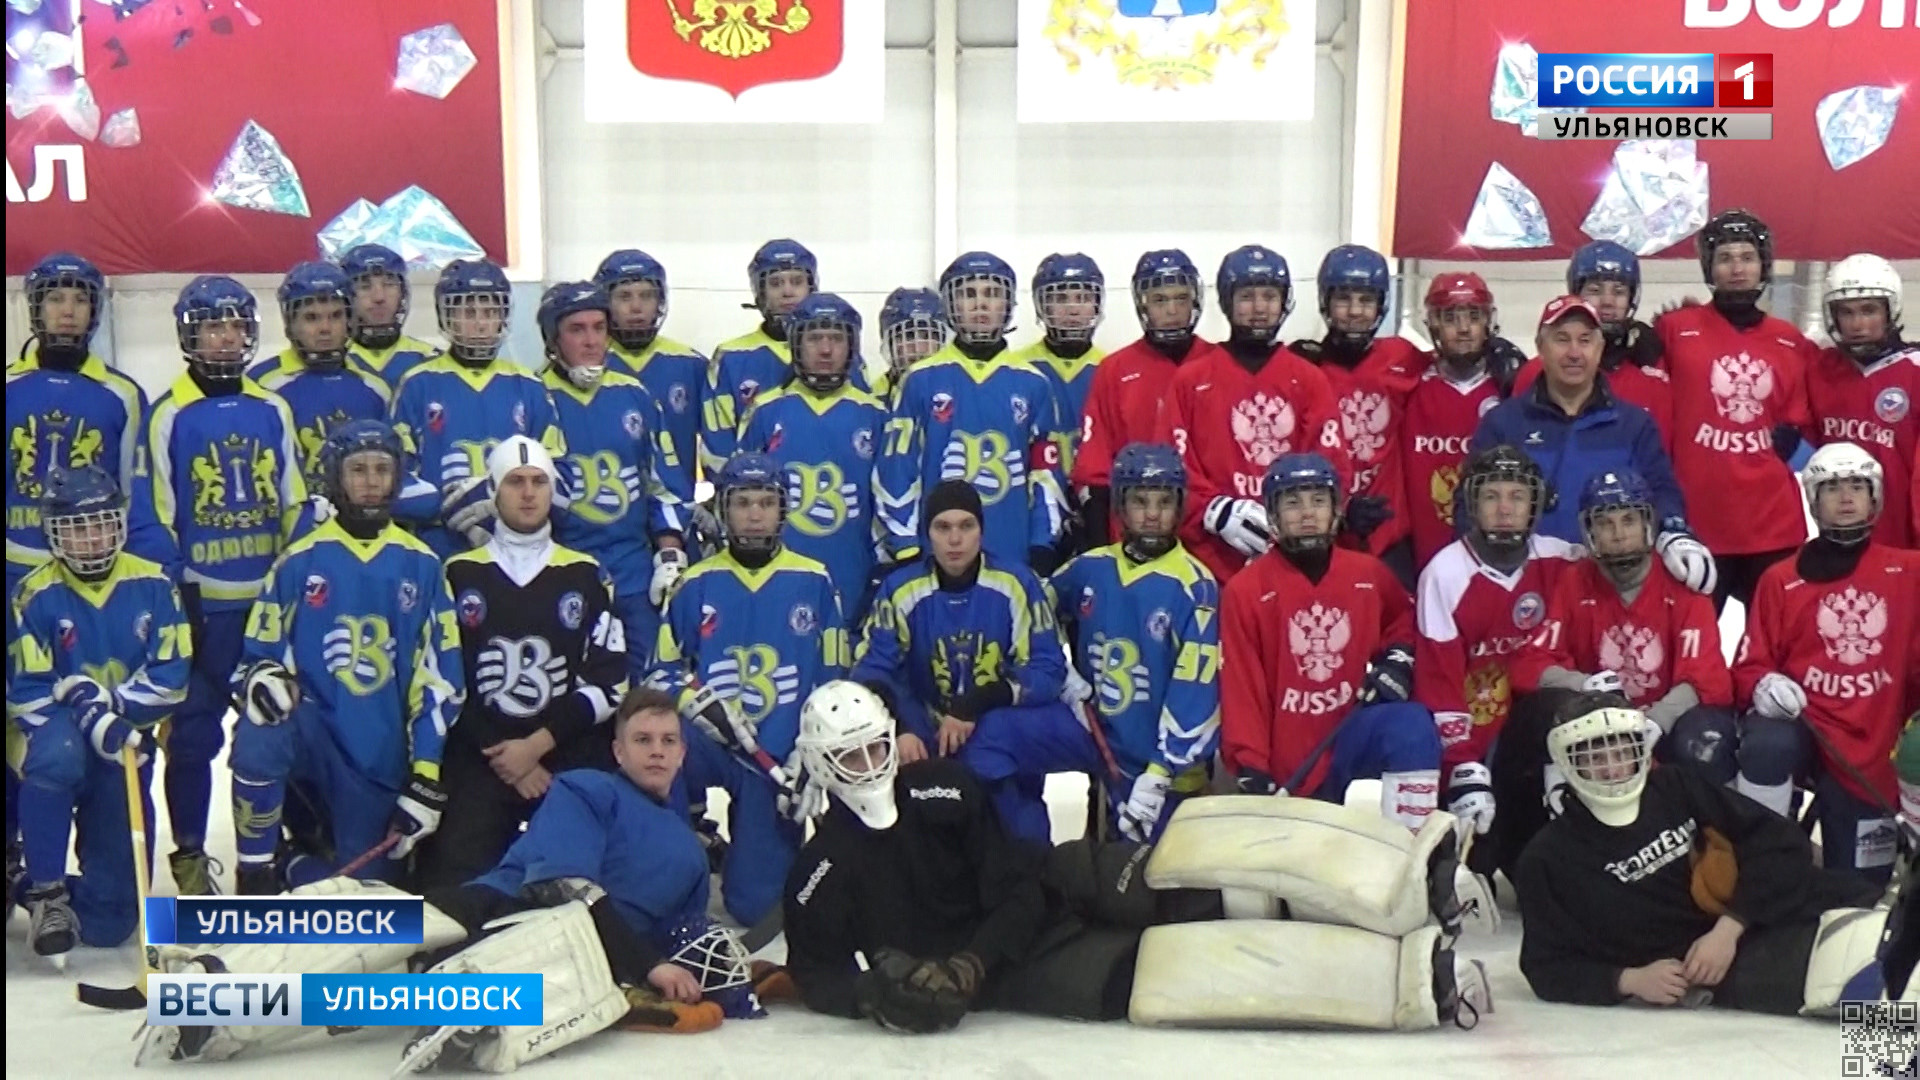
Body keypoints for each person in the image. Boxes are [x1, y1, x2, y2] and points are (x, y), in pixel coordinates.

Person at [136, 689, 756, 1068]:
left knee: (370, 1001)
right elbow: (566, 888)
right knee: (368, 923)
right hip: (495, 913)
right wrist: (648, 965)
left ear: (681, 753)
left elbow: (680, 935)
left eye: (668, 740)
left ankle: (467, 1024)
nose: (656, 749)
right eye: (641, 738)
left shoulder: (687, 850)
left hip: (570, 969)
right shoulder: (589, 787)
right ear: (616, 751)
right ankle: (211, 988)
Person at [779, 681, 1146, 1031]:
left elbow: (1016, 881)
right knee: (1127, 978)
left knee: (1138, 877)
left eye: (875, 747)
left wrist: (974, 960)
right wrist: (874, 993)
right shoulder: (816, 872)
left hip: (1012, 918)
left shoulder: (945, 785)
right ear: (820, 763)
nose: (870, 764)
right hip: (1001, 973)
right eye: (850, 756)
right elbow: (815, 974)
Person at [1516, 692, 1900, 1016]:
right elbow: (1545, 967)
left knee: (1901, 933)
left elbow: (1777, 841)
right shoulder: (1547, 859)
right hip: (1730, 966)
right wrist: (1627, 980)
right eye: (1596, 758)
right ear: (1569, 762)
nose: (1613, 769)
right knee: (1874, 984)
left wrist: (1730, 926)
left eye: (1621, 752)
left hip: (1763, 912)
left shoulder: (1675, 786)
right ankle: (1893, 1066)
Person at [225, 420, 462, 894]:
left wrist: (425, 778)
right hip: (315, 742)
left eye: (382, 469)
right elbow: (254, 661)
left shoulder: (424, 566)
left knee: (365, 902)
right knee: (260, 727)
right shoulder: (298, 562)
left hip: (380, 762)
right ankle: (255, 872)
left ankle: (293, 864)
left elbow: (440, 682)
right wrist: (262, 680)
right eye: (358, 470)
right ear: (335, 477)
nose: (371, 481)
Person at [141, 275, 307, 895]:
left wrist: (290, 585)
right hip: (203, 611)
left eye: (237, 325)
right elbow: (154, 516)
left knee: (278, 732)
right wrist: (180, 599)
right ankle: (187, 852)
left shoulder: (273, 408)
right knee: (191, 738)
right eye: (213, 326)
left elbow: (296, 505)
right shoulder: (169, 414)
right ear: (190, 335)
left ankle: (273, 853)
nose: (226, 337)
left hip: (266, 609)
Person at [414, 436, 630, 892]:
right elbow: (443, 679)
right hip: (482, 756)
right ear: (493, 491)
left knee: (583, 885)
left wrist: (534, 747)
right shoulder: (457, 573)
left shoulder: (586, 574)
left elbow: (611, 683)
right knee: (450, 884)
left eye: (538, 482)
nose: (528, 493)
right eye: (515, 482)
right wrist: (507, 755)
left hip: (565, 757)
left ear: (553, 491)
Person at [648, 451, 847, 928]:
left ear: (783, 509)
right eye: (742, 503)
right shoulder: (695, 582)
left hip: (776, 757)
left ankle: (742, 855)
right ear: (723, 509)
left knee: (755, 907)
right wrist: (701, 705)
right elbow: (661, 672)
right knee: (659, 742)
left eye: (765, 502)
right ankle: (680, 845)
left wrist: (811, 760)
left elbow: (833, 682)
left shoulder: (814, 580)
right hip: (710, 742)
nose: (755, 514)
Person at [1504, 469, 1740, 866]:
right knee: (1539, 719)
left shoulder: (1683, 582)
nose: (1618, 533)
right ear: (1589, 530)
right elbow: (1529, 665)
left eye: (1628, 519)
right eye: (1605, 522)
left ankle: (1714, 853)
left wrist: (1655, 721)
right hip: (1602, 725)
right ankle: (1563, 857)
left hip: (1665, 723)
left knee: (1706, 739)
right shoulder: (1573, 582)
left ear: (1649, 523)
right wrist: (1586, 685)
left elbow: (1711, 680)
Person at [7, 466, 189, 954]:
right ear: (53, 534)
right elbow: (27, 691)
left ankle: (20, 882)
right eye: (77, 529)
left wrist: (110, 706)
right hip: (60, 737)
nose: (91, 539)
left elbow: (172, 680)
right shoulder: (33, 594)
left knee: (113, 925)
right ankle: (47, 893)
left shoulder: (154, 585)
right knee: (59, 752)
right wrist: (89, 720)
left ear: (120, 524)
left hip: (126, 747)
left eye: (101, 524)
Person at [1219, 453, 1443, 830]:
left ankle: (1414, 852)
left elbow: (1402, 619)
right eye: (1293, 502)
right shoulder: (1247, 590)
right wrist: (1250, 765)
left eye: (1318, 501)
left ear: (1337, 509)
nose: (1307, 514)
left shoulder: (1367, 573)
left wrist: (1399, 659)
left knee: (1411, 725)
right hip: (1291, 772)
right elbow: (1243, 686)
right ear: (1271, 515)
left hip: (1349, 742)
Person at [1731, 442, 1920, 886]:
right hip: (1812, 734)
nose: (1847, 496)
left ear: (1875, 497)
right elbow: (1747, 666)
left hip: (1879, 746)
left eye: (1858, 485)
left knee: (1859, 888)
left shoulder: (1909, 571)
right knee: (1765, 743)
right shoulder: (1781, 579)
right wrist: (1763, 685)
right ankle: (1762, 861)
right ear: (1813, 498)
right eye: (1833, 487)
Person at [854, 479, 1082, 845]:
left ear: (981, 531)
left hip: (995, 730)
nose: (955, 540)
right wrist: (898, 728)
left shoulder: (1015, 583)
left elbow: (1047, 668)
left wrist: (980, 703)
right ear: (927, 534)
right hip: (926, 733)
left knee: (1017, 831)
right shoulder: (900, 590)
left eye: (966, 526)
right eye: (943, 528)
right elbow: (870, 670)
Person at [1415, 444, 1582, 878]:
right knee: (1479, 865)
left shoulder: (1563, 560)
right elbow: (1439, 683)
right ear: (1471, 503)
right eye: (1492, 497)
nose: (1505, 509)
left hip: (1532, 734)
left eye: (1517, 496)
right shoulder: (1446, 574)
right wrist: (1463, 766)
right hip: (1473, 741)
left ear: (1536, 505)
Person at [1472, 296, 1714, 593]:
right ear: (1540, 348)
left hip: (1608, 590)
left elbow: (1661, 489)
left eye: (1585, 340)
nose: (1574, 352)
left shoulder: (1634, 425)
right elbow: (1470, 503)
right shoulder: (1503, 423)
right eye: (1562, 339)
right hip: (1523, 589)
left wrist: (1673, 532)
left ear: (1599, 349)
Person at [1050, 443, 1221, 841]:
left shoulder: (1195, 585)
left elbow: (1196, 688)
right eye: (1140, 501)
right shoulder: (1091, 568)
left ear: (1179, 508)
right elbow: (1033, 611)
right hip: (1106, 756)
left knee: (1167, 883)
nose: (1151, 514)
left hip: (1167, 778)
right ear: (1120, 507)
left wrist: (1161, 773)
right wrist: (1058, 669)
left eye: (1163, 502)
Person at [1655, 209, 1820, 612]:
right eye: (1725, 257)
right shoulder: (1675, 330)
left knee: (1778, 655)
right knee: (1693, 657)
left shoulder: (1790, 341)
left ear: (1762, 264)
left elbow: (1816, 426)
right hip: (1696, 526)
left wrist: (1796, 444)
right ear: (1709, 265)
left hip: (1773, 529)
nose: (1736, 268)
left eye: (1746, 257)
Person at [1154, 245, 1348, 584]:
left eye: (1269, 296)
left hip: (1291, 558)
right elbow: (1171, 466)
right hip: (1206, 561)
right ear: (1227, 301)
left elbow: (1330, 464)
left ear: (1284, 301)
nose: (1259, 308)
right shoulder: (1191, 380)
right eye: (1247, 296)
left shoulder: (1308, 379)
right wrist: (1212, 511)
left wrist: (1295, 520)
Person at [876, 252, 1068, 571]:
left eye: (992, 294)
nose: (980, 304)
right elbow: (898, 466)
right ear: (951, 304)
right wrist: (905, 544)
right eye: (968, 294)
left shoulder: (1034, 383)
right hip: (934, 553)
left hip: (1013, 546)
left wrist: (1042, 543)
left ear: (1007, 304)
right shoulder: (920, 378)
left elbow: (1046, 475)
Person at [537, 281, 690, 677]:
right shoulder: (532, 397)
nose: (591, 341)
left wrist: (670, 554)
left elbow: (665, 486)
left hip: (635, 573)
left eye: (599, 327)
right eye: (577, 329)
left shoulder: (636, 397)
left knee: (649, 686)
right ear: (552, 338)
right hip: (563, 572)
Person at [388, 259, 566, 561]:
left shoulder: (529, 386)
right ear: (447, 316)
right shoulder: (418, 384)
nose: (481, 323)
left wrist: (499, 505)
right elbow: (392, 481)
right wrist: (454, 504)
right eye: (468, 312)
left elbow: (560, 481)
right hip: (436, 550)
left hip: (516, 553)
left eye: (490, 312)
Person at [736, 292, 891, 613]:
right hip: (778, 570)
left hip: (853, 566)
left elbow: (886, 501)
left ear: (852, 346)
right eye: (814, 338)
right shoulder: (765, 411)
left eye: (836, 339)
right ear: (796, 344)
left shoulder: (876, 414)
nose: (825, 349)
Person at [1287, 244, 1427, 588]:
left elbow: (1457, 368)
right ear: (1325, 303)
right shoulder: (1303, 371)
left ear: (1382, 306)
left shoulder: (1403, 357)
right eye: (1343, 299)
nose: (1354, 311)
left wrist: (1492, 353)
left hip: (1390, 540)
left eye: (1365, 300)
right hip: (1322, 538)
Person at [1073, 250, 1225, 549]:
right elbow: (1096, 471)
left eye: (1180, 298)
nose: (1171, 310)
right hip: (1136, 539)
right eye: (1160, 300)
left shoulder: (1219, 364)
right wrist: (1101, 549)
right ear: (1142, 304)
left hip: (1212, 540)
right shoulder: (1115, 371)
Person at [1510, 241, 1674, 449]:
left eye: (1619, 291)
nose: (1607, 301)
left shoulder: (1653, 376)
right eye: (1595, 290)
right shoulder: (1535, 373)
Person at [1805, 252, 1916, 550]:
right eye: (1847, 312)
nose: (1858, 323)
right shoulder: (1819, 367)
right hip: (1838, 541)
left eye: (1869, 310)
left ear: (1890, 311)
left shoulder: (1915, 371)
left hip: (1903, 541)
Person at [1400, 272, 1510, 569]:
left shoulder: (1508, 392)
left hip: (1494, 556)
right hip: (1422, 560)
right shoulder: (1409, 387)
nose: (1463, 329)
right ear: (1433, 324)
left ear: (1488, 321)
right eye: (1450, 317)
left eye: (1473, 316)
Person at [248, 261, 391, 477]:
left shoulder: (375, 388)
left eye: (335, 316)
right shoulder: (260, 386)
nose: (325, 328)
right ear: (290, 322)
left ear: (349, 319)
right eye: (311, 317)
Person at [594, 249, 707, 499]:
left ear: (660, 302)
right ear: (604, 303)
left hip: (677, 512)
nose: (636, 307)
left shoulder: (691, 364)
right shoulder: (588, 365)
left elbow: (716, 444)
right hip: (610, 514)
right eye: (624, 297)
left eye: (647, 296)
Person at [1009, 254, 1108, 533]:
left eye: (1082, 297)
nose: (1073, 309)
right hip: (1032, 512)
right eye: (1061, 298)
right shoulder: (1018, 369)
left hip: (1097, 510)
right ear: (1042, 304)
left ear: (1097, 303)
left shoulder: (1112, 370)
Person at [702, 239, 819, 475]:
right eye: (775, 283)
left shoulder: (840, 355)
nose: (787, 292)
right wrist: (736, 492)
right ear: (760, 292)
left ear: (811, 287)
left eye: (796, 282)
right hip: (754, 502)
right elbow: (717, 439)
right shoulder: (730, 357)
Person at [339, 243, 439, 391]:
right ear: (346, 296)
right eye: (365, 286)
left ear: (402, 292)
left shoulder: (430, 360)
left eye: (389, 284)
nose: (379, 297)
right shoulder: (332, 362)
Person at [873, 287, 949, 403]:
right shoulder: (872, 398)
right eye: (909, 336)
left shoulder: (959, 391)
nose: (919, 348)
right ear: (890, 342)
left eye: (927, 336)